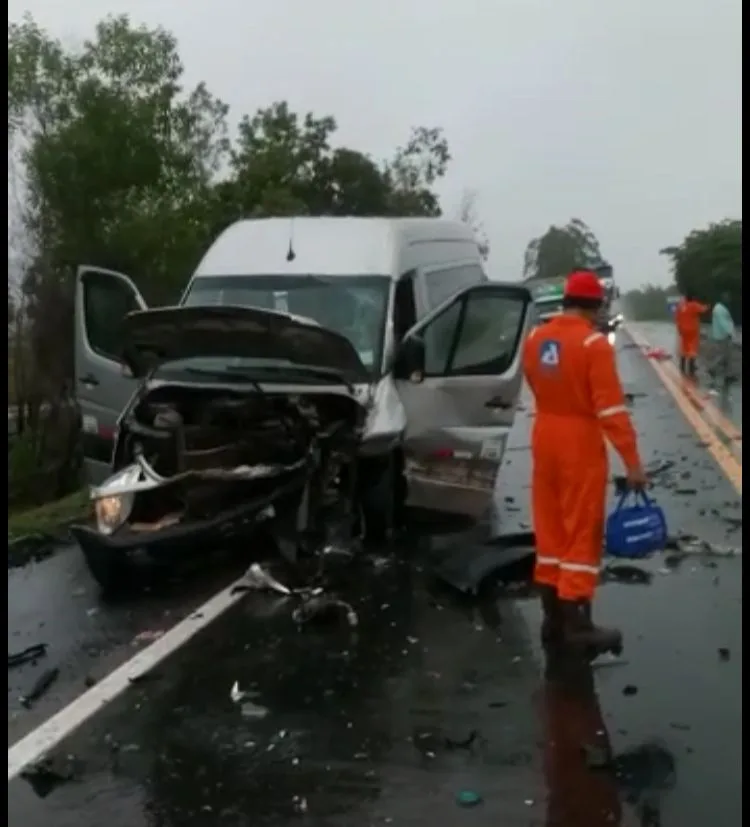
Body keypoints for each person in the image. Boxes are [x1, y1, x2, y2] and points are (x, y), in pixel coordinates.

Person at [523, 269, 647, 657]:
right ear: (595, 305)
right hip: (579, 441)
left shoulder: (535, 337)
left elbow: (533, 381)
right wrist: (632, 462)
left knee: (550, 526)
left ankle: (552, 620)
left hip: (544, 435)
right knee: (581, 528)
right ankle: (578, 625)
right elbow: (610, 410)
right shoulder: (594, 345)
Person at [674, 293, 709, 378]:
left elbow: (677, 319)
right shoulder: (693, 305)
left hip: (683, 331)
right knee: (692, 349)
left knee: (684, 348)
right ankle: (691, 369)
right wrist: (707, 306)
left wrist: (679, 329)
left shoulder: (680, 306)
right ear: (692, 298)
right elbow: (703, 309)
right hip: (692, 331)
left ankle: (682, 367)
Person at [709, 292, 736, 391]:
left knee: (727, 356)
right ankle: (712, 368)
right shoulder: (719, 309)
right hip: (722, 336)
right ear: (722, 298)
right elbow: (723, 322)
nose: (728, 299)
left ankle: (728, 375)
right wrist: (730, 332)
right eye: (727, 297)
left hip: (721, 335)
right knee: (722, 356)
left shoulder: (719, 308)